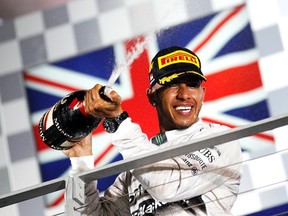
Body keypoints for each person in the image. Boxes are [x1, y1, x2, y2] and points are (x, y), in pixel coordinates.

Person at [63, 46, 243, 215]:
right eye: (172, 84)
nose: (184, 94)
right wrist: (81, 163)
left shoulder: (221, 140)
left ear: (202, 93)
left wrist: (118, 121)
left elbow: (166, 186)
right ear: (152, 96)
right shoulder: (135, 168)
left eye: (192, 83)